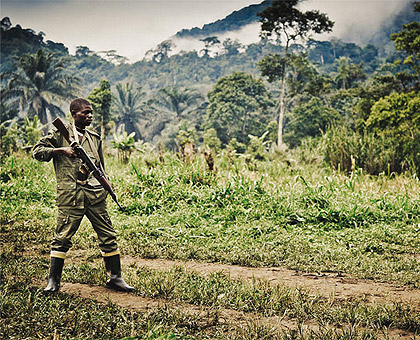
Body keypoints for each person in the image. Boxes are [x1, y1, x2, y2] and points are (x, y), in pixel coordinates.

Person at [33, 98, 134, 293]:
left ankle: (115, 277)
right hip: (70, 196)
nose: (89, 116)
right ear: (73, 113)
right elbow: (38, 152)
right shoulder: (59, 133)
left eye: (91, 113)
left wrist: (107, 186)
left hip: (95, 196)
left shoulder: (94, 138)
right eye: (85, 113)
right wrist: (62, 150)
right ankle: (53, 282)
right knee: (61, 238)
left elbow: (101, 168)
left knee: (108, 236)